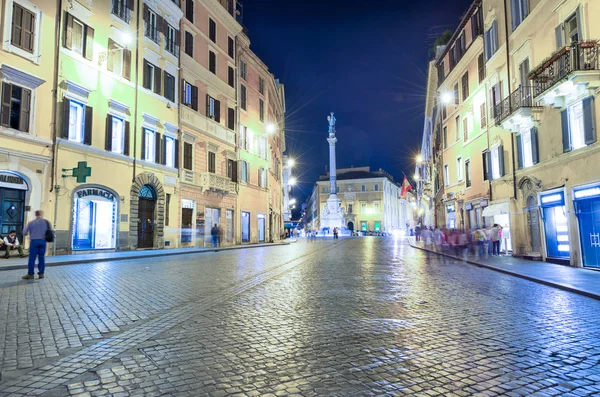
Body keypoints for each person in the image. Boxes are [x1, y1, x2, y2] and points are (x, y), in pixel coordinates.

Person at [22, 210, 52, 280]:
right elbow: (51, 231)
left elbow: (24, 233)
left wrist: (30, 233)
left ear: (35, 215)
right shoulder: (46, 222)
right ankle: (41, 273)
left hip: (34, 242)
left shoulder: (31, 223)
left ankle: (30, 274)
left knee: (32, 259)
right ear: (41, 214)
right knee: (41, 258)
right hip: (43, 242)